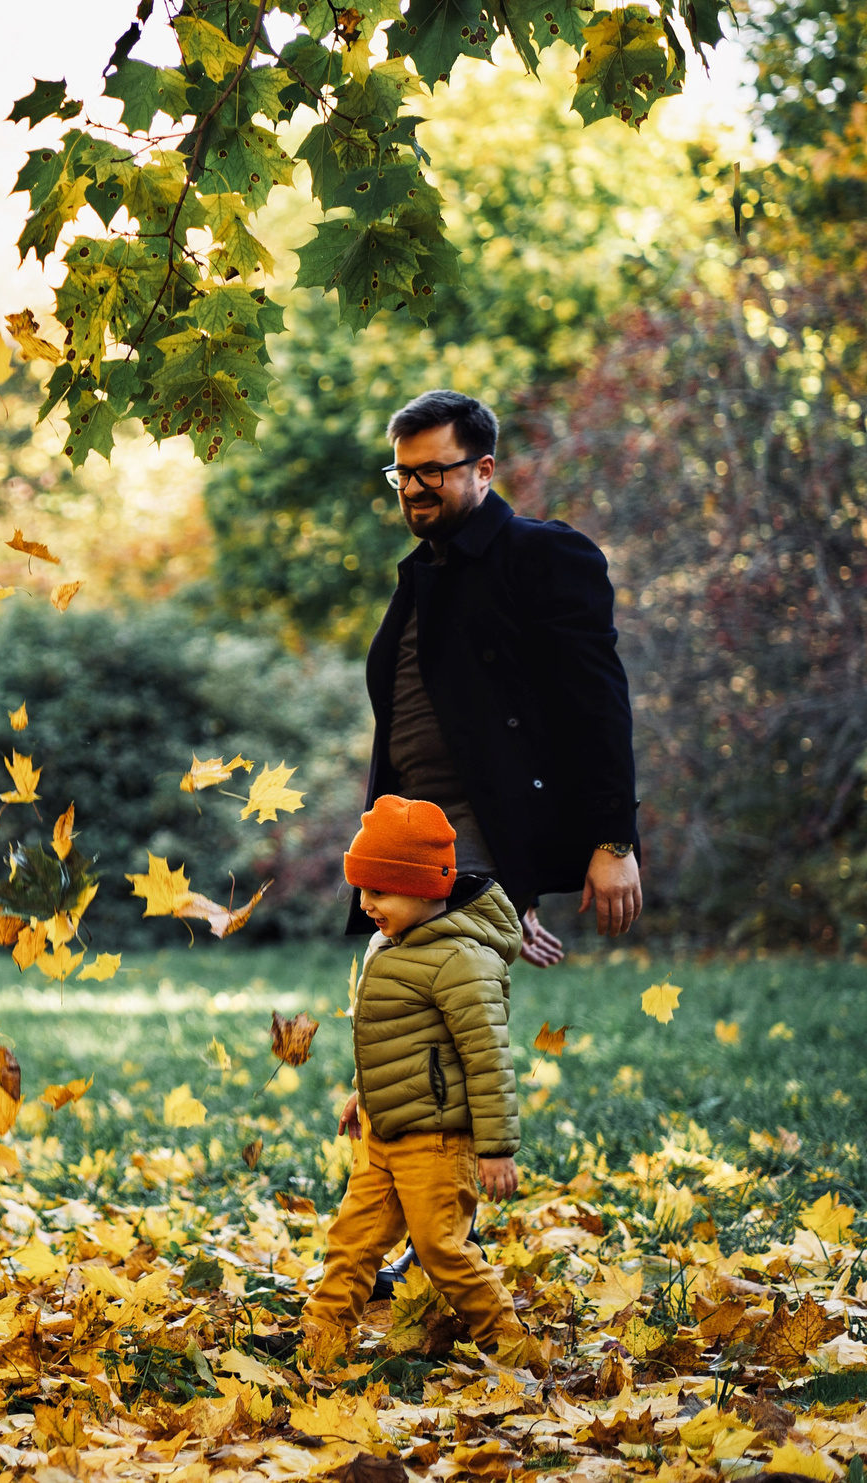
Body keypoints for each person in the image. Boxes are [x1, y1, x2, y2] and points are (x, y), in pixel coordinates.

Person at [358, 390, 643, 964]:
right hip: (412, 840)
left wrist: (613, 840)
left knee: (428, 997)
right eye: (403, 474)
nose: (412, 489)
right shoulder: (420, 576)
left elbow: (597, 703)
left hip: (473, 841)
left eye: (432, 471)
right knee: (395, 1002)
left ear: (484, 469)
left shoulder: (543, 554)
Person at [303, 796, 534, 1366]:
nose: (366, 904)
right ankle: (320, 1346)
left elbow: (488, 1058)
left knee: (441, 1249)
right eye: (362, 890)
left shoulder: (461, 960)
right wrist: (364, 1093)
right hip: (384, 1133)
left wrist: (496, 1148)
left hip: (437, 1140)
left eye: (379, 891)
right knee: (352, 1241)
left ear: (426, 888)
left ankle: (517, 1353)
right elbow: (396, 1040)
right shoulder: (390, 945)